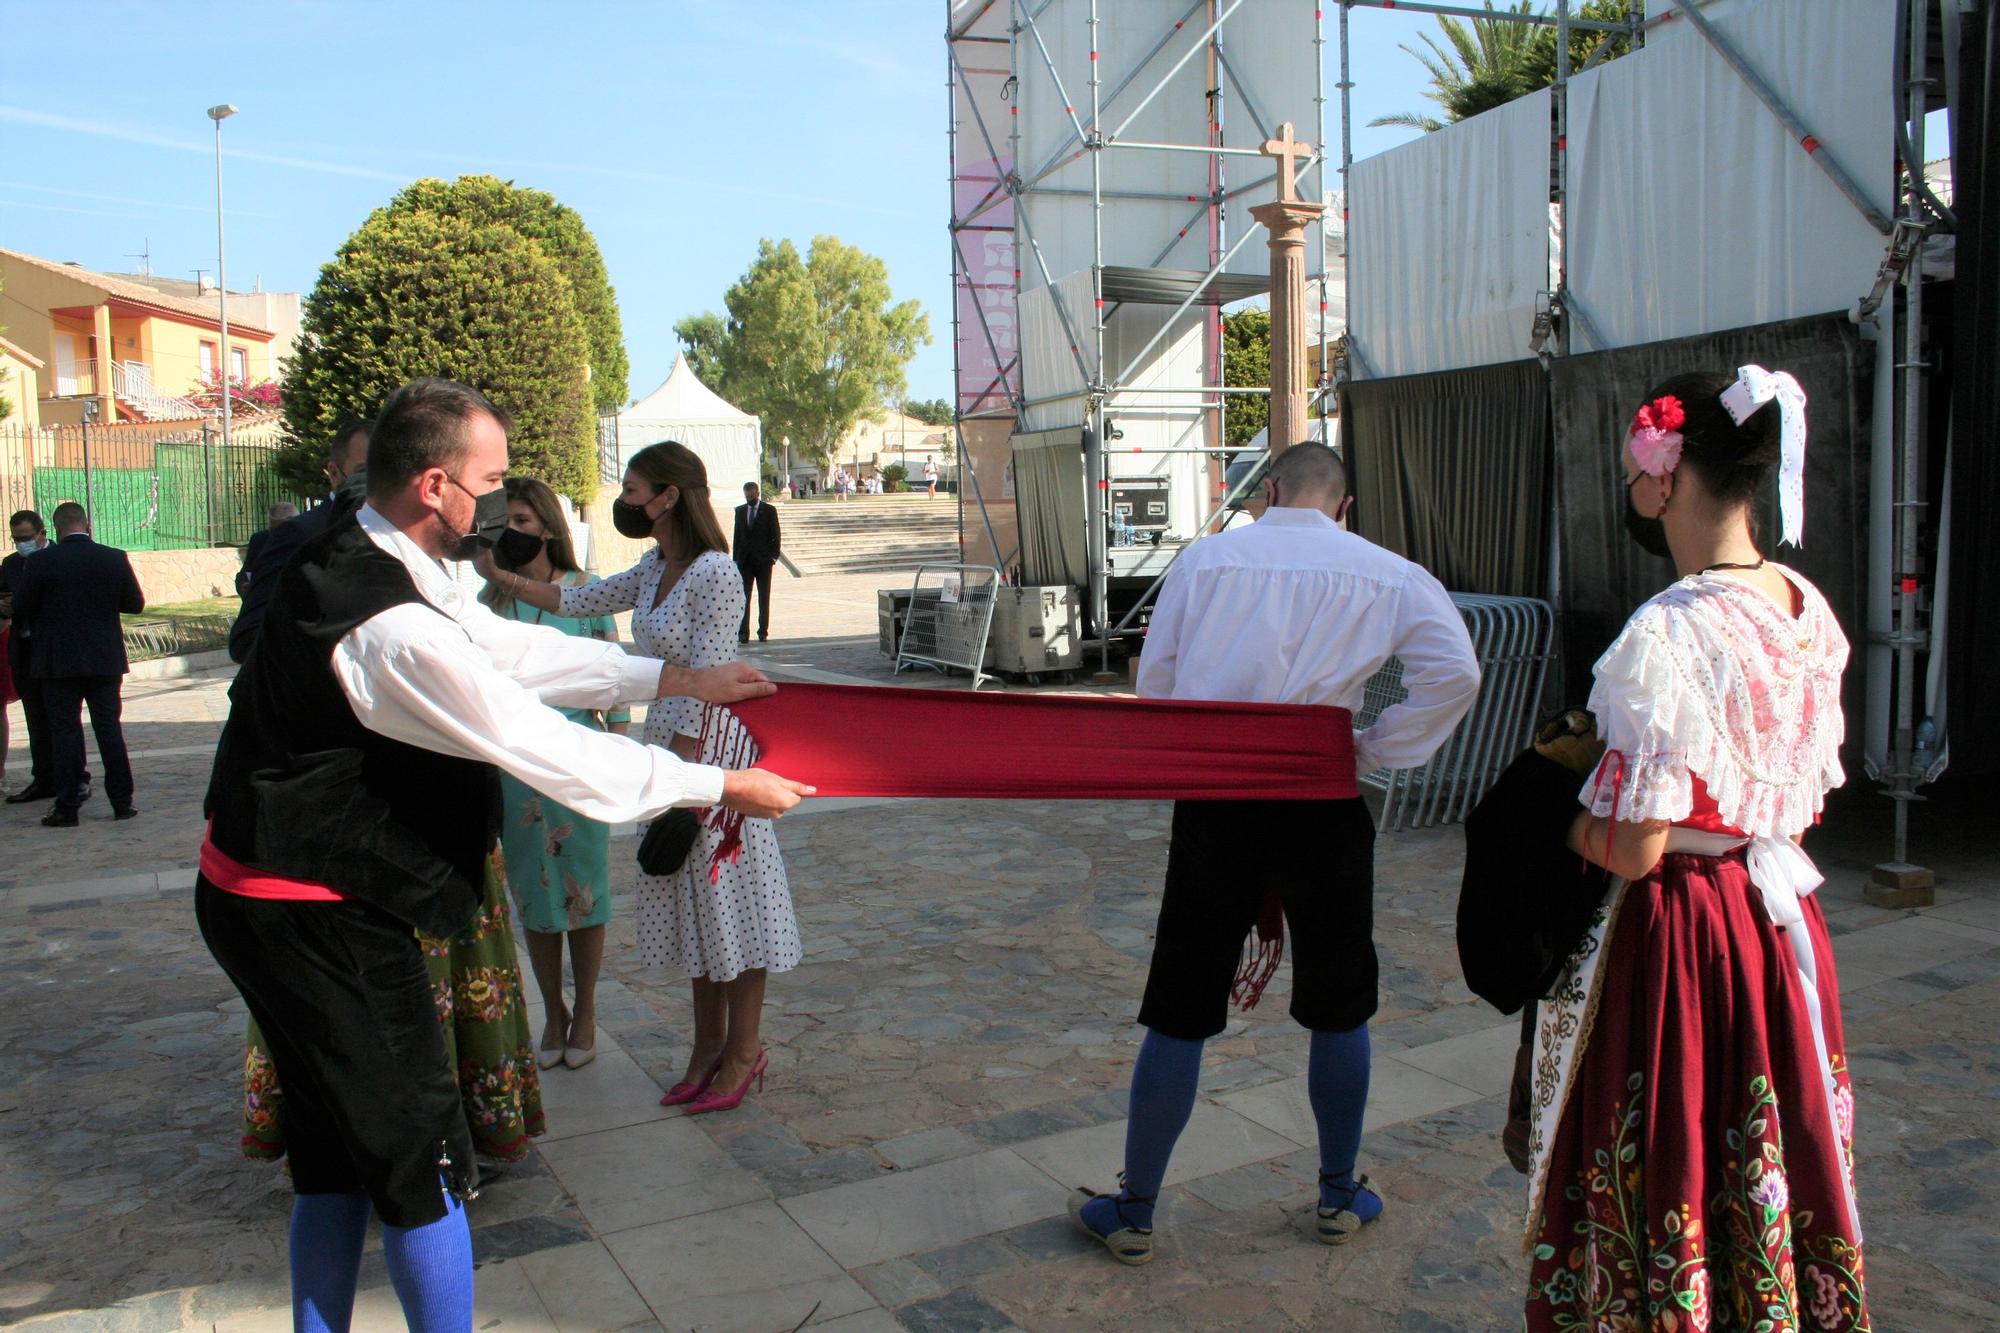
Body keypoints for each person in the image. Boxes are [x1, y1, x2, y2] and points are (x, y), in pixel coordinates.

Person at [196, 379, 810, 1333]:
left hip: (278, 894)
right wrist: (720, 787)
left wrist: (677, 675)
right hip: (324, 914)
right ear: (434, 484)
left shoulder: (381, 552)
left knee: (331, 1157)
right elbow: (533, 738)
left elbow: (504, 649)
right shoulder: (386, 621)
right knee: (422, 1167)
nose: (496, 502)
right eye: (486, 483)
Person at [1069, 442, 1480, 1266]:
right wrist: (1372, 744)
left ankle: (1138, 1207)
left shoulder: (1210, 560)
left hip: (1220, 799)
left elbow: (1159, 684)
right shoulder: (1387, 572)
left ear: (1269, 490)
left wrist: (1217, 738)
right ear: (1343, 502)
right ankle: (1337, 1194)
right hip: (1324, 798)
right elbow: (1456, 672)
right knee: (1340, 998)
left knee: (1181, 998)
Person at [1524, 369, 1865, 1330]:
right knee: (1768, 1136)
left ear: (1664, 478)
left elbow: (1636, 847)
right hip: (1778, 921)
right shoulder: (1806, 608)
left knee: (1671, 1142)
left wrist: (1560, 822)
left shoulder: (1665, 631)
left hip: (1682, 936)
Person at [494, 441, 802, 1117]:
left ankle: (744, 1050)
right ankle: (706, 1048)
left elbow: (716, 670)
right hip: (673, 742)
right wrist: (507, 578)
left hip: (711, 747)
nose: (625, 500)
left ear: (668, 495)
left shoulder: (715, 571)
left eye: (634, 488)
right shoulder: (658, 563)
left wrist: (690, 783)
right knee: (695, 906)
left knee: (732, 904)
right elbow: (581, 599)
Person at [481, 475, 628, 1071]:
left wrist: (617, 750)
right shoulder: (492, 603)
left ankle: (587, 1006)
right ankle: (553, 1011)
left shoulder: (586, 594)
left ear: (546, 524)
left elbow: (616, 679)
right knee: (535, 895)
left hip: (579, 754)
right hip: (516, 765)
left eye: (522, 520)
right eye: (505, 522)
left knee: (584, 890)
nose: (514, 531)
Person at [16, 501, 145, 827]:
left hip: (58, 661)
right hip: (104, 659)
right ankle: (121, 802)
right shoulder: (113, 557)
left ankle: (68, 806)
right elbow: (135, 603)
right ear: (87, 525)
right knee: (109, 730)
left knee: (65, 734)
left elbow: (22, 607)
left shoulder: (41, 561)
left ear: (56, 529)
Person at [229, 418, 372, 663]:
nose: (375, 483)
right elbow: (247, 639)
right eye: (363, 472)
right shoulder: (300, 534)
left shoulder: (400, 532)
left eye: (385, 472)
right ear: (335, 473)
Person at [3, 509, 81, 806]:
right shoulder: (10, 565)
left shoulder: (61, 559)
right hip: (24, 651)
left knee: (62, 721)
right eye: (16, 538)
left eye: (26, 537)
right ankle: (44, 779)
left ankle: (75, 779)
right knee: (35, 719)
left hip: (56, 650)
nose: (21, 543)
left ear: (42, 533)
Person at [733, 480, 781, 644]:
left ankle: (763, 631)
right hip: (745, 561)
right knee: (743, 598)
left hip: (763, 561)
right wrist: (736, 559)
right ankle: (743, 633)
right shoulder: (739, 511)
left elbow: (775, 533)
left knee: (763, 597)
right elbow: (737, 537)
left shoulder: (768, 510)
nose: (750, 499)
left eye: (752, 496)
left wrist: (773, 556)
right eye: (747, 497)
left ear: (757, 494)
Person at [236, 502, 300, 598]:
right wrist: (244, 586)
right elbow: (246, 572)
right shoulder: (260, 540)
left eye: (282, 530)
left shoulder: (305, 540)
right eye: (273, 530)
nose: (276, 535)